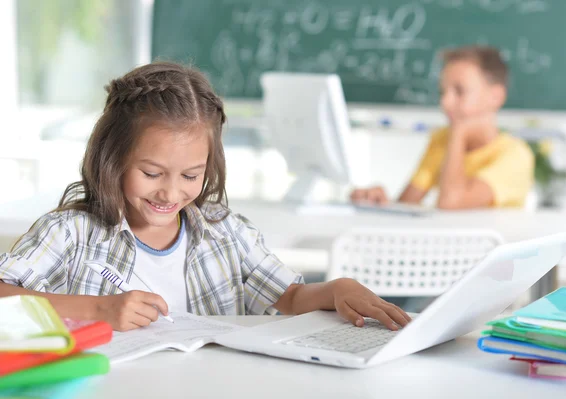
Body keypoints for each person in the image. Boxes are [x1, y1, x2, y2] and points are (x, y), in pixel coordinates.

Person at [0, 62, 410, 332]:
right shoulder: (72, 233)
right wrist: (98, 310)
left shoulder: (225, 232)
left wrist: (336, 287)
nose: (170, 192)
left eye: (191, 175)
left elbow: (288, 297)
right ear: (112, 158)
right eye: (151, 173)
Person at [351, 46, 534, 210]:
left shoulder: (515, 155)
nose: (445, 103)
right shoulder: (441, 140)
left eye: (459, 91)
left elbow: (451, 203)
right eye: (442, 92)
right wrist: (382, 204)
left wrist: (458, 133)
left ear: (496, 96)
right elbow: (407, 205)